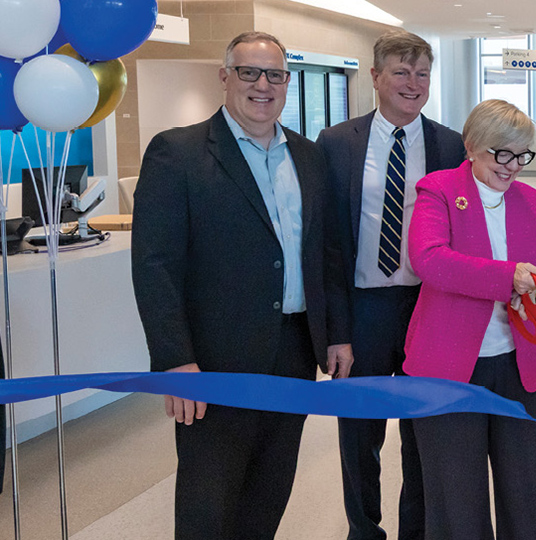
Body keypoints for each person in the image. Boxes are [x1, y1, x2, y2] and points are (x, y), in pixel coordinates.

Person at [131, 31, 346, 540]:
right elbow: (155, 266)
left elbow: (326, 255)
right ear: (225, 76)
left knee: (269, 491)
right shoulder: (177, 153)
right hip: (213, 363)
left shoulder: (309, 155)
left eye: (274, 75)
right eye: (249, 72)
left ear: (287, 83)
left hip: (295, 353)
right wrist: (174, 362)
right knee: (209, 501)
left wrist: (337, 333)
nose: (262, 85)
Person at [317, 28, 464, 540]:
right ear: (375, 77)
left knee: (424, 434)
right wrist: (336, 330)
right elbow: (327, 245)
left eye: (422, 74)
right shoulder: (336, 144)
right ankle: (364, 529)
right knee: (359, 434)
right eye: (401, 72)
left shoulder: (451, 144)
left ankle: (417, 530)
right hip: (362, 312)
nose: (413, 83)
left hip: (429, 308)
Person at [404, 99, 536, 540]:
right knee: (456, 498)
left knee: (528, 492)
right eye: (502, 153)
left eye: (522, 155)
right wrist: (507, 278)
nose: (512, 167)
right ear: (472, 146)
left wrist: (533, 294)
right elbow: (429, 260)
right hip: (447, 367)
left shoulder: (535, 203)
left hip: (519, 364)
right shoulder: (438, 189)